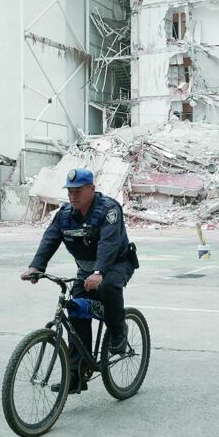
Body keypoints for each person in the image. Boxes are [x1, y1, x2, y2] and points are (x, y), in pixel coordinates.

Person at [21, 168, 138, 393]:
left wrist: (99, 272)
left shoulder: (109, 210)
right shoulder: (64, 214)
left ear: (92, 189)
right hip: (87, 270)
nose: (73, 196)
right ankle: (76, 374)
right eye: (70, 191)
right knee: (77, 310)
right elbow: (50, 239)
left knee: (110, 287)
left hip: (116, 263)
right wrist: (36, 267)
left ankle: (118, 334)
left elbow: (109, 244)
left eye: (78, 191)